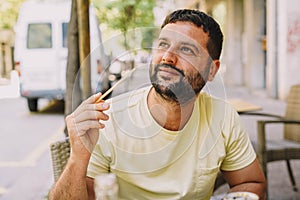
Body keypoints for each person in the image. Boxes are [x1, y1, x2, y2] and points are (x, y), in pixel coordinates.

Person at [49, 9, 266, 200]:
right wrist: (78, 156)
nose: (168, 57)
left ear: (211, 70)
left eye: (187, 50)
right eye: (163, 45)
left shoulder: (223, 116)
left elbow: (251, 184)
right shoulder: (108, 118)